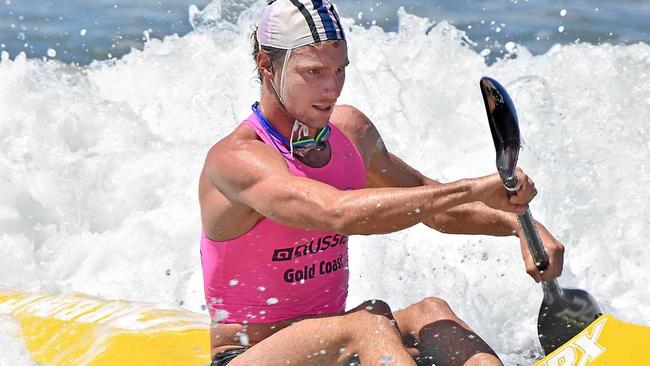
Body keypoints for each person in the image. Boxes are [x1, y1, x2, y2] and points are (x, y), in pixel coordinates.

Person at [198, 0, 564, 365]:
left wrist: (519, 225)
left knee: (430, 314)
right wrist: (473, 188)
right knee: (368, 323)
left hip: (333, 345)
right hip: (245, 355)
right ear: (266, 64)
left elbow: (431, 206)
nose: (332, 88)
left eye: (340, 70)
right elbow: (336, 213)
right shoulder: (238, 159)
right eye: (314, 72)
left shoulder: (350, 134)